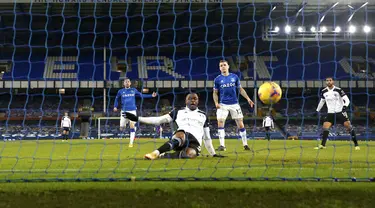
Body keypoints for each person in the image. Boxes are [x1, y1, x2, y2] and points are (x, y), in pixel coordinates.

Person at [125, 93, 223, 160]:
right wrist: (138, 118)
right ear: (186, 101)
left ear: (198, 101)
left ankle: (164, 155)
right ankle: (155, 153)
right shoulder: (178, 112)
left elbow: (207, 137)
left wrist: (213, 154)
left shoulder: (204, 115)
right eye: (190, 99)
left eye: (195, 99)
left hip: (195, 142)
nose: (192, 101)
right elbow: (159, 120)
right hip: (181, 137)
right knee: (181, 134)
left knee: (190, 155)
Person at [213, 60, 254, 151]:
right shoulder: (217, 79)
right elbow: (215, 93)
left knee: (240, 124)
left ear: (228, 66)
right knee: (220, 122)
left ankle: (245, 144)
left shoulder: (234, 77)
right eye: (221, 65)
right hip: (223, 104)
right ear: (219, 68)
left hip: (235, 104)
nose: (223, 67)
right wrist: (216, 103)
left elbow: (240, 89)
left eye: (224, 65)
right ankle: (222, 146)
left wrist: (248, 99)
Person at [315, 77, 360, 150]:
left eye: (330, 80)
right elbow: (322, 101)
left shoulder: (338, 90)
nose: (328, 82)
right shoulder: (324, 91)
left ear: (333, 81)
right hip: (330, 113)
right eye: (327, 81)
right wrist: (317, 110)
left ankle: (356, 145)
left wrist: (345, 106)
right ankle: (322, 145)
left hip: (340, 112)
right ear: (326, 82)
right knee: (325, 127)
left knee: (349, 127)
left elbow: (347, 100)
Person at [114, 78, 157, 147]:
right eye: (126, 82)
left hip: (132, 110)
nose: (127, 83)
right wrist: (115, 106)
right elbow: (116, 99)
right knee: (121, 127)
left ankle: (131, 143)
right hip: (124, 111)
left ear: (130, 83)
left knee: (132, 125)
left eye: (128, 81)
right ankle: (127, 125)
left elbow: (141, 95)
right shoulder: (120, 91)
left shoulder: (133, 90)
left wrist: (151, 95)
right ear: (123, 83)